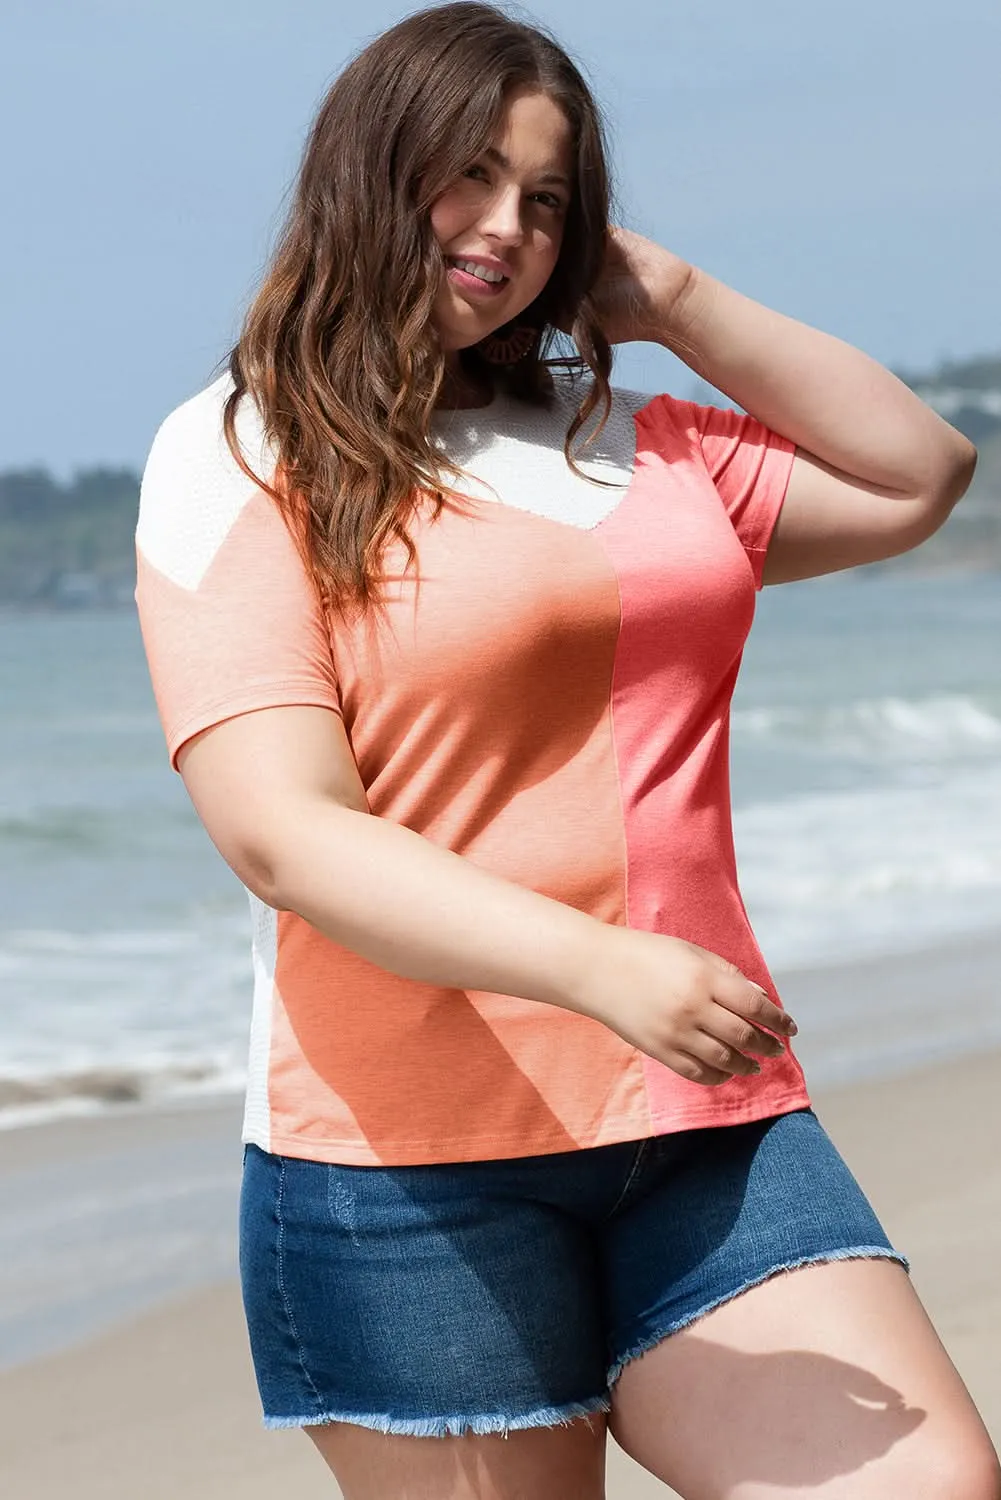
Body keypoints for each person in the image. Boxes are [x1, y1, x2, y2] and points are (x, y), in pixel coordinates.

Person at [135, 5, 999, 1497]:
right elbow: (287, 832)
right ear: (369, 170)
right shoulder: (242, 448)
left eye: (545, 199)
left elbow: (919, 472)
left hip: (705, 1123)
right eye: (466, 176)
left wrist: (659, 288)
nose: (503, 227)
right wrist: (603, 968)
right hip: (404, 1165)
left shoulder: (638, 439)